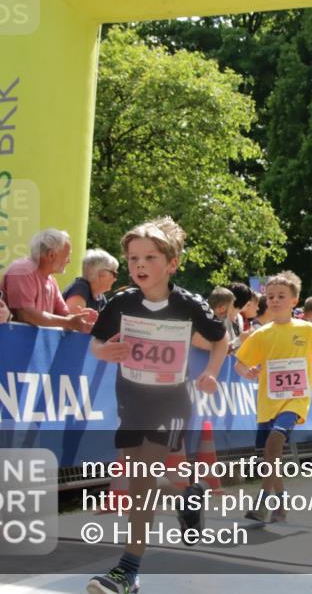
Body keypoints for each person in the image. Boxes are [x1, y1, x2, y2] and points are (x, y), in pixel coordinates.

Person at [85, 217, 229, 594]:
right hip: (131, 399)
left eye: (149, 257)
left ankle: (127, 571)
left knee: (142, 480)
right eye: (133, 259)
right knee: (146, 478)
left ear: (172, 264)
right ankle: (189, 493)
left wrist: (212, 372)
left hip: (172, 402)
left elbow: (221, 338)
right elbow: (95, 343)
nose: (139, 266)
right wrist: (106, 351)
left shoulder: (188, 304)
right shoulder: (121, 302)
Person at [234, 271, 312, 523]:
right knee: (270, 456)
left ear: (294, 300)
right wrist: (248, 371)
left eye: (281, 296)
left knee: (274, 444)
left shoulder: (308, 329)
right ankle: (280, 505)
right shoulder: (260, 334)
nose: (275, 300)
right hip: (268, 403)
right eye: (270, 296)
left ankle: (262, 501)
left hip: (295, 399)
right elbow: (239, 364)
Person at [0, 229, 96, 332]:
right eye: (67, 256)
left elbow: (64, 315)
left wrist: (81, 318)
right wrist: (69, 322)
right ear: (51, 255)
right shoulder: (22, 270)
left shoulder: (51, 280)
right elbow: (26, 315)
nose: (69, 261)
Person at [63, 248, 119, 313]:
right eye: (114, 274)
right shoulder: (80, 288)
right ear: (102, 273)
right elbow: (73, 320)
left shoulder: (100, 296)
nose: (115, 279)